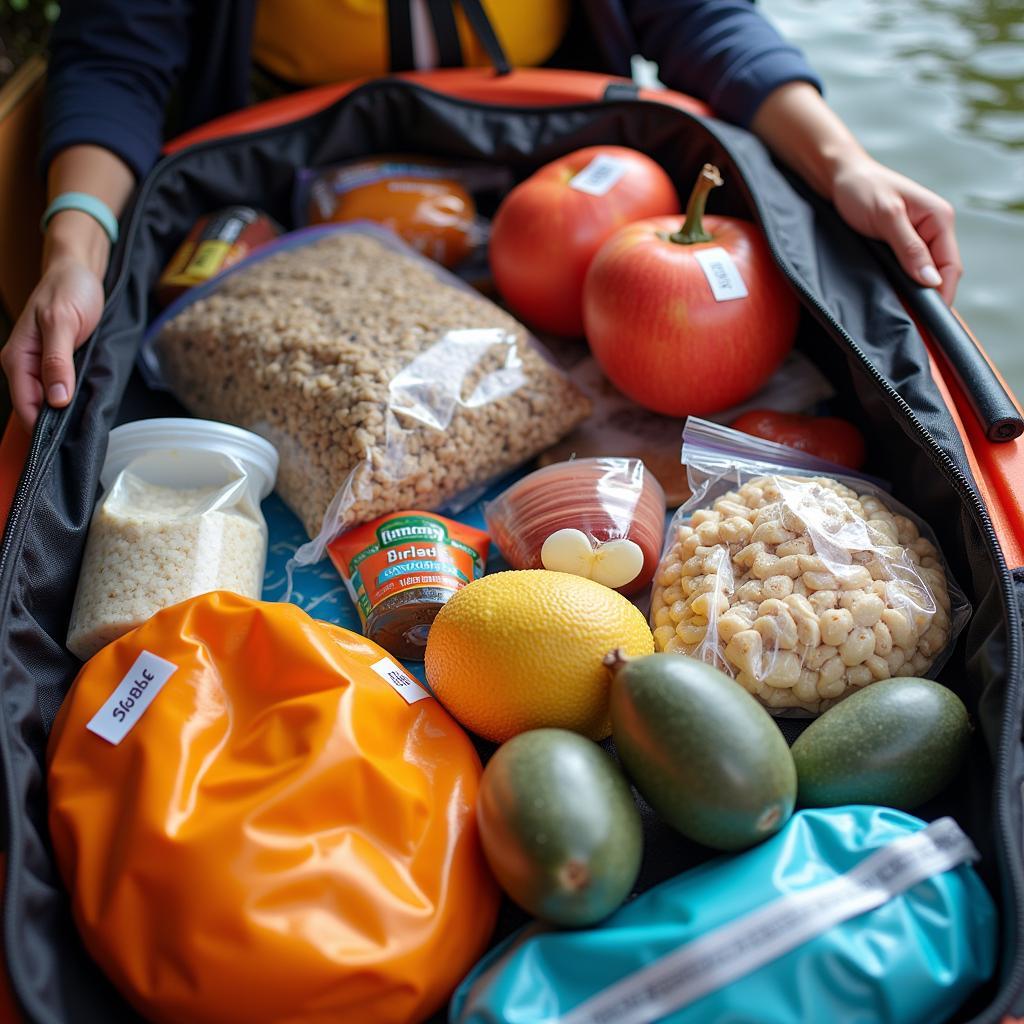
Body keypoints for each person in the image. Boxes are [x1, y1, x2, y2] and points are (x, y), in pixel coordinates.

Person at [2, 0, 961, 430]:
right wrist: (76, 247)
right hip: (286, 201)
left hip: (552, 199)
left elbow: (702, 19)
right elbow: (115, 61)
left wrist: (846, 165)